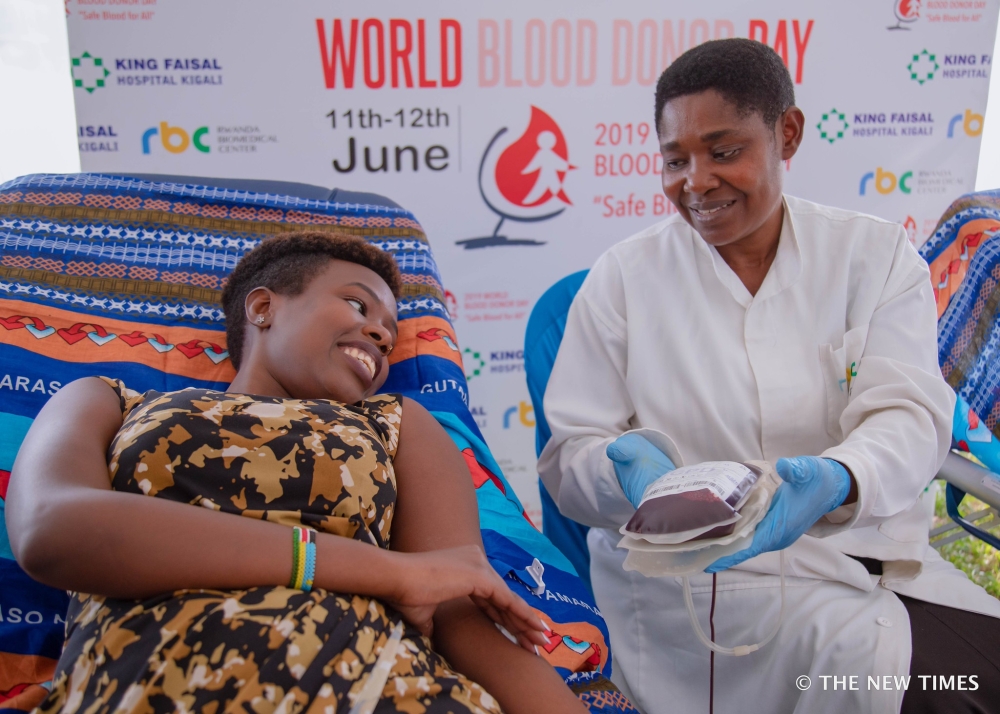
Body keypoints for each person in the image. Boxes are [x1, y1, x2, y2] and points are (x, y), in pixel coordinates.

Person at [537, 39, 1000, 714]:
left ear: (788, 133)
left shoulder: (873, 256)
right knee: (928, 689)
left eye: (724, 152)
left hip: (870, 558)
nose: (696, 181)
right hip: (696, 593)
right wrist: (624, 473)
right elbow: (570, 456)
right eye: (675, 160)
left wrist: (839, 478)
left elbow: (909, 415)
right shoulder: (623, 280)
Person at [7, 232, 588, 714]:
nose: (383, 335)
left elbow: (457, 607)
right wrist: (387, 572)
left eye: (390, 333)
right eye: (358, 305)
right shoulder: (109, 402)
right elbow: (53, 529)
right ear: (263, 308)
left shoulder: (398, 423)